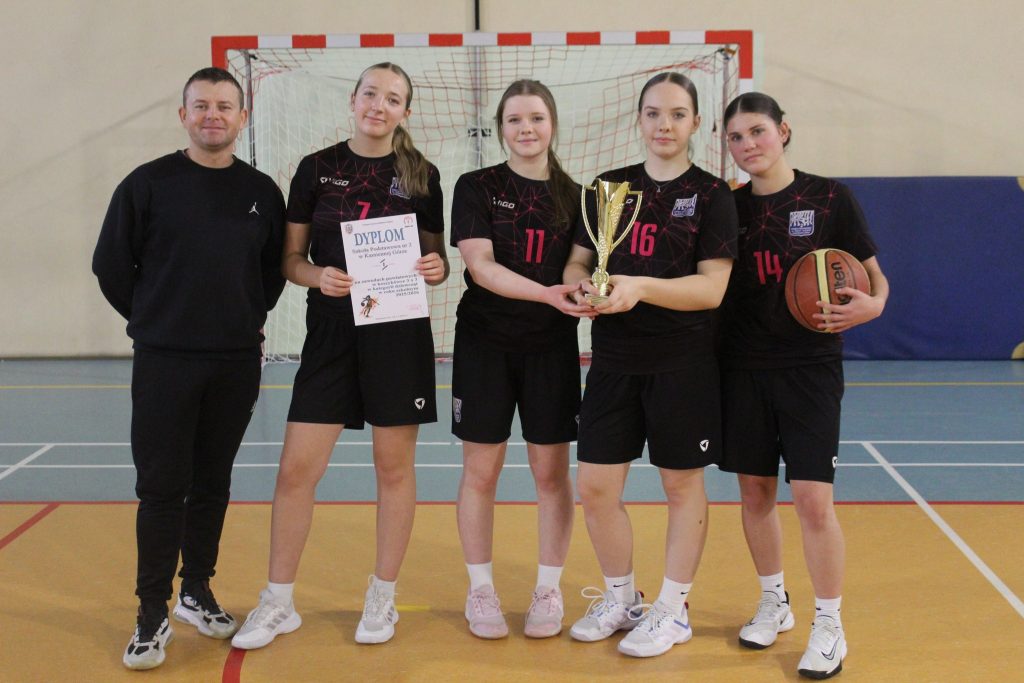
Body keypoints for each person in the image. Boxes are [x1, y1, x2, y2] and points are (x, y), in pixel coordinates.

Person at [231, 62, 449, 650]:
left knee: (393, 469)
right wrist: (317, 276)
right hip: (330, 334)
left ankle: (382, 595)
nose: (379, 105)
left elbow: (436, 261)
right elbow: (290, 260)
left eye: (393, 98)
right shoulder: (316, 168)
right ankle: (278, 600)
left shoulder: (422, 174)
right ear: (353, 100)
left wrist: (436, 268)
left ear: (405, 111)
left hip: (397, 334)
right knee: (296, 470)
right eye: (371, 94)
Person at [92, 67, 286, 670]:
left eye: (224, 106)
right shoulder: (146, 184)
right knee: (161, 487)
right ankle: (152, 612)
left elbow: (271, 274)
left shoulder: (262, 191)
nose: (212, 115)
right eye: (201, 105)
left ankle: (196, 591)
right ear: (183, 115)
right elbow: (110, 266)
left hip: (234, 362)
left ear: (242, 117)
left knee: (212, 482)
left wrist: (238, 320)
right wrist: (156, 318)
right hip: (165, 361)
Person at [562, 72, 738, 658]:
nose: (665, 124)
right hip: (613, 361)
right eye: (654, 113)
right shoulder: (608, 188)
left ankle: (673, 609)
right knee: (595, 486)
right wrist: (583, 288)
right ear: (639, 119)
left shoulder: (712, 195)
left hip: (683, 364)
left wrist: (638, 287)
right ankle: (622, 599)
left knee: (681, 485)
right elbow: (578, 263)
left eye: (678, 114)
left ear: (696, 123)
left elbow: (711, 289)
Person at [719, 92, 889, 679]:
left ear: (784, 131)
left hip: (810, 367)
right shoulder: (728, 207)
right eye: (736, 137)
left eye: (757, 131)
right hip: (742, 366)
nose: (748, 145)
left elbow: (875, 279)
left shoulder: (830, 197)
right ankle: (774, 600)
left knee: (814, 501)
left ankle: (830, 624)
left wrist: (873, 306)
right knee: (755, 495)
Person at [449, 80, 593, 640]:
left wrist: (577, 288)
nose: (526, 128)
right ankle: (480, 589)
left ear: (552, 123)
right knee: (480, 472)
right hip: (485, 343)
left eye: (536, 117)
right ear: (500, 128)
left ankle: (548, 589)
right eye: (514, 119)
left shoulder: (578, 197)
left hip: (550, 348)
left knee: (551, 475)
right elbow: (481, 266)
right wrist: (546, 294)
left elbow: (577, 264)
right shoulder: (476, 186)